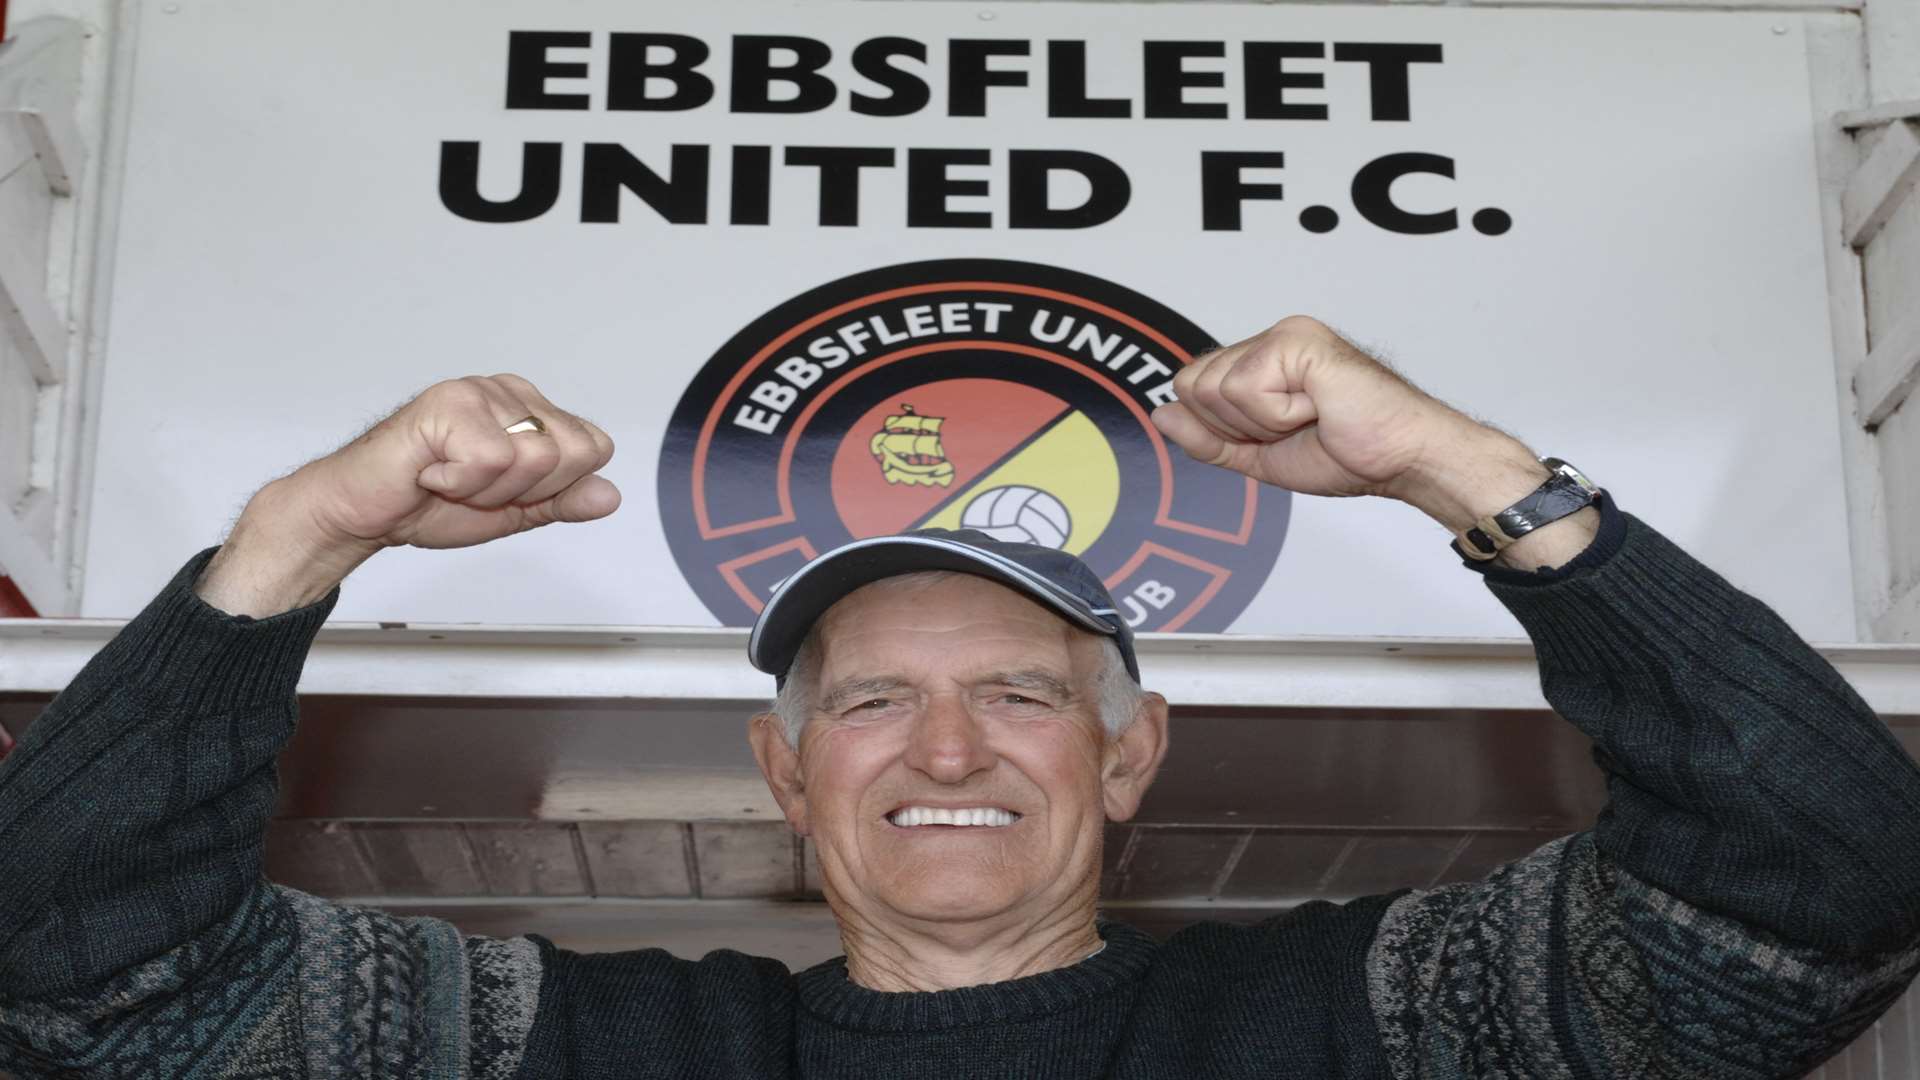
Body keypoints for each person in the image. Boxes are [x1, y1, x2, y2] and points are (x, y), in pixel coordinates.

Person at [1, 316, 1917, 1079]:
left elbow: (1827, 882)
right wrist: (289, 546)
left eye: (1016, 691)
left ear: (1131, 748)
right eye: (866, 709)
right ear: (781, 772)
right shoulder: (576, 1049)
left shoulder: (1375, 1024)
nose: (942, 751)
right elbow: (80, 964)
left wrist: (1469, 472)